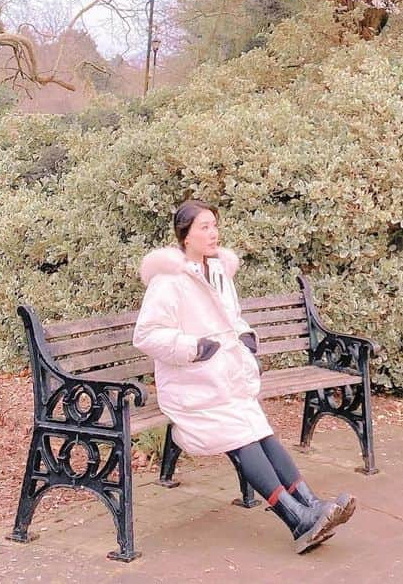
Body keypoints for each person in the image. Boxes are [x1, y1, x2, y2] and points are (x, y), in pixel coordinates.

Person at [132, 200, 356, 553]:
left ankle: (312, 505)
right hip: (192, 388)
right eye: (204, 226)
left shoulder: (219, 272)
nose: (213, 232)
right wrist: (193, 347)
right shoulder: (168, 281)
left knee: (263, 434)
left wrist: (244, 334)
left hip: (226, 381)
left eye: (214, 225)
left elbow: (232, 319)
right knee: (243, 437)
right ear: (185, 236)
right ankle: (295, 519)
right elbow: (146, 335)